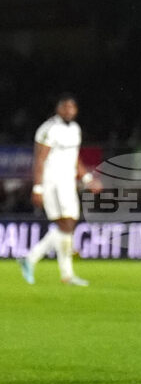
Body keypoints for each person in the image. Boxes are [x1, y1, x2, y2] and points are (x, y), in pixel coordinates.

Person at [17, 96, 100, 286]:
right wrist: (37, 188)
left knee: (68, 223)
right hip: (51, 182)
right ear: (59, 109)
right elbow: (39, 159)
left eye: (73, 107)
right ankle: (66, 274)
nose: (70, 110)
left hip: (68, 183)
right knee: (66, 224)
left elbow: (74, 157)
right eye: (66, 107)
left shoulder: (75, 129)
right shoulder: (49, 129)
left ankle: (31, 260)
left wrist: (87, 179)